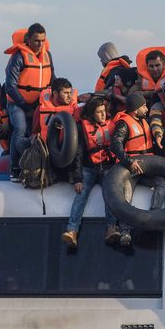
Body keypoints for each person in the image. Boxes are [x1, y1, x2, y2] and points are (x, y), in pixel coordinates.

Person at [61, 97, 121, 248]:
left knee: (110, 192)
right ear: (91, 113)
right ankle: (72, 231)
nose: (102, 115)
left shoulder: (111, 126)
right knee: (81, 195)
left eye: (103, 112)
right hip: (89, 168)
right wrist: (78, 179)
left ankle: (111, 228)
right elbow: (78, 155)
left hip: (107, 167)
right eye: (98, 112)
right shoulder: (82, 128)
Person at [2, 23, 53, 180]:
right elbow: (10, 86)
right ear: (28, 39)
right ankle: (15, 168)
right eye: (36, 40)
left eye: (42, 40)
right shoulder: (18, 57)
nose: (40, 44)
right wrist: (25, 106)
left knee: (40, 133)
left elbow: (52, 78)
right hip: (18, 103)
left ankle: (36, 167)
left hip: (39, 104)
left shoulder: (47, 55)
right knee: (21, 129)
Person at [110, 93, 160, 247]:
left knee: (161, 182)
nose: (146, 108)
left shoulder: (144, 121)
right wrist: (129, 162)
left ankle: (155, 214)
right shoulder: (124, 124)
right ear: (135, 109)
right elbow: (115, 144)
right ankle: (125, 231)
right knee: (126, 194)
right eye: (143, 106)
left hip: (147, 167)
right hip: (131, 168)